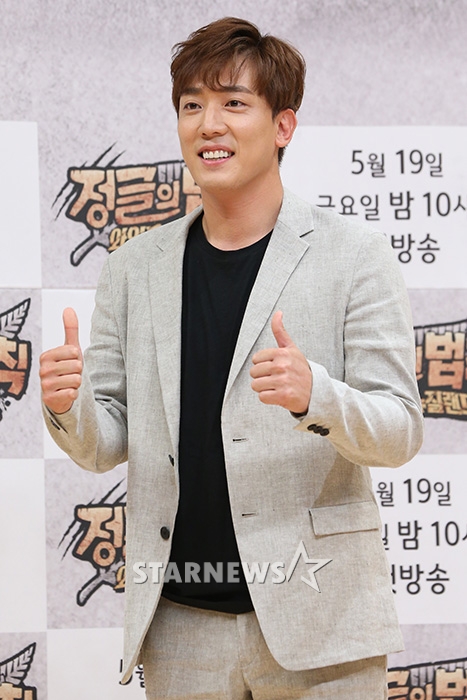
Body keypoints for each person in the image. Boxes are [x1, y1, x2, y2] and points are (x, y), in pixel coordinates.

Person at [40, 16, 424, 700]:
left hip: (321, 621)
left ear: (283, 126)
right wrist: (70, 408)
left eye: (233, 103)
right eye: (191, 105)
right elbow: (107, 444)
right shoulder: (133, 267)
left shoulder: (354, 257)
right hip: (181, 627)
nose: (208, 124)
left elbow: (399, 431)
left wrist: (316, 396)